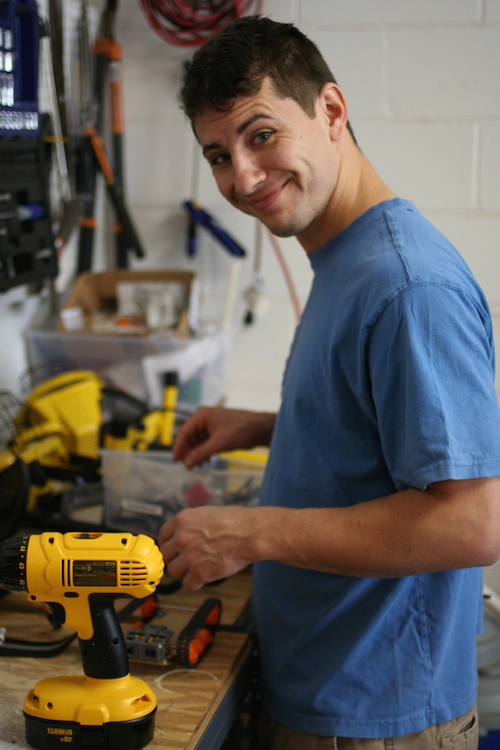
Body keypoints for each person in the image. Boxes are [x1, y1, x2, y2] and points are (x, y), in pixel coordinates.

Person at [158, 16, 500, 749]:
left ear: (332, 112)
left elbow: (470, 523)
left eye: (260, 135)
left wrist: (251, 533)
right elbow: (386, 429)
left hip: (376, 718)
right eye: (218, 154)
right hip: (324, 682)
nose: (241, 179)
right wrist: (266, 423)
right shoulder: (346, 255)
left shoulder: (407, 287)